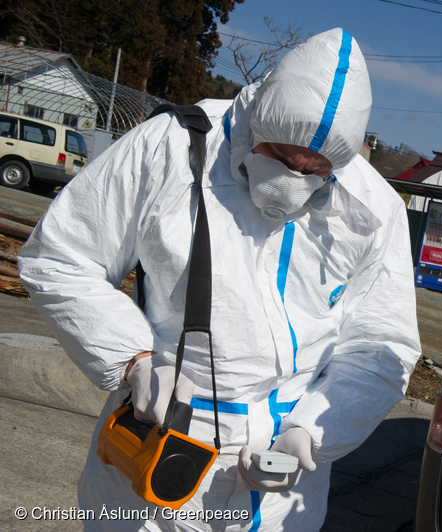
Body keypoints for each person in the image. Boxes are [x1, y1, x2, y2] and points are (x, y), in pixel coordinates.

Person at [17, 28, 421, 532]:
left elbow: (382, 342)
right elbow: (60, 256)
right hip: (162, 447)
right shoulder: (171, 147)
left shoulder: (373, 205)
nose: (296, 178)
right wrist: (134, 360)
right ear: (256, 118)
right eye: (282, 155)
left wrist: (314, 432)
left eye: (315, 169)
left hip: (282, 490)